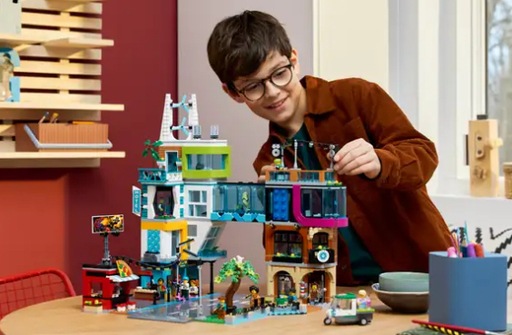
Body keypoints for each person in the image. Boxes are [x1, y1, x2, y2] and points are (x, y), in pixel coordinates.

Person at [206, 10, 452, 286]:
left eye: (279, 74)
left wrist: (381, 161)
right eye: (253, 86)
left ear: (294, 61)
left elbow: (424, 154)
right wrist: (277, 210)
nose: (273, 91)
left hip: (419, 280)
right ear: (233, 93)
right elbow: (285, 251)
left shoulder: (357, 97)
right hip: (343, 289)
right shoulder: (267, 160)